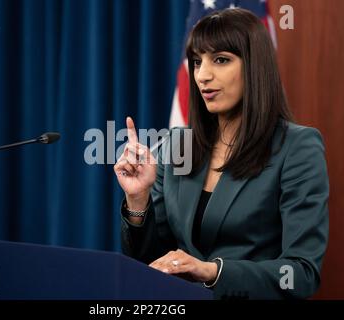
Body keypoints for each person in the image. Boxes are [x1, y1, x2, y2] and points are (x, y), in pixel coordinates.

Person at [114, 8, 329, 300]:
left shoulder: (298, 147)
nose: (203, 75)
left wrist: (213, 271)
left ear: (254, 66)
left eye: (221, 60)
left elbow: (301, 274)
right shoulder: (177, 144)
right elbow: (151, 263)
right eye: (196, 61)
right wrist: (138, 200)